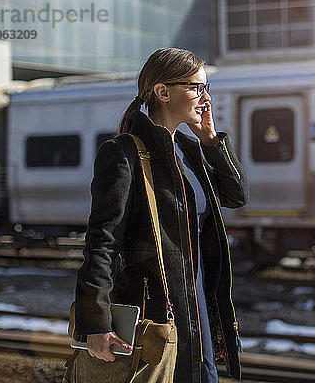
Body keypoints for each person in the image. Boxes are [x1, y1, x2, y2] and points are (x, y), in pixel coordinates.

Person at [64, 48, 247, 383]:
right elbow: (102, 241)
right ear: (163, 92)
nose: (204, 97)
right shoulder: (123, 153)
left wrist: (211, 141)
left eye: (206, 88)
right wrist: (97, 322)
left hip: (197, 305)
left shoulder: (190, 151)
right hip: (156, 309)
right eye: (196, 87)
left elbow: (236, 197)